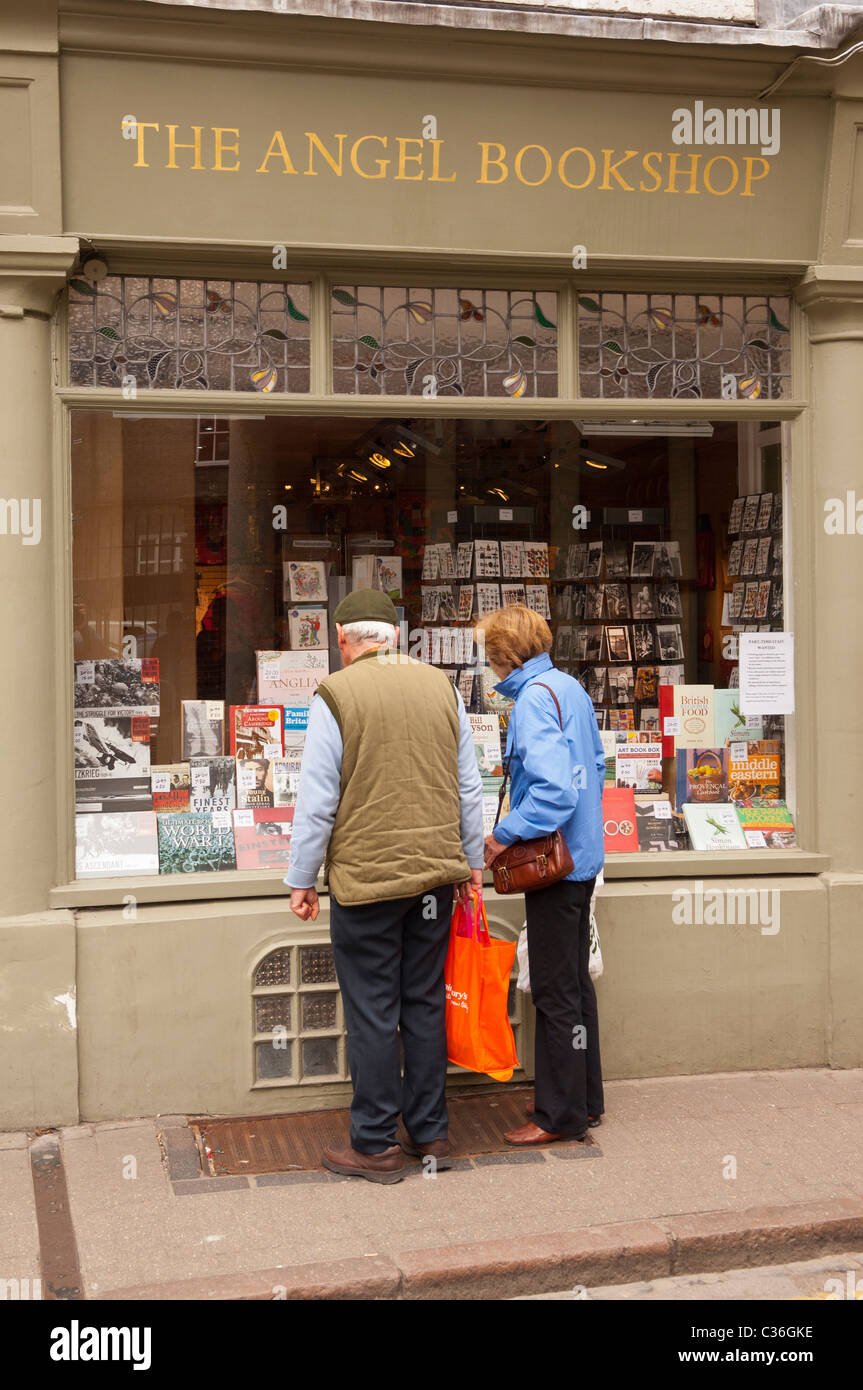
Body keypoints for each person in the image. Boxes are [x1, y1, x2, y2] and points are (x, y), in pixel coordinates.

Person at [285, 589, 485, 1185]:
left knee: (373, 1011)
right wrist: (473, 863)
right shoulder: (440, 687)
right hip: (435, 875)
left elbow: (318, 800)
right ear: (394, 637)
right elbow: (468, 787)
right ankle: (430, 1133)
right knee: (422, 1001)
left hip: (368, 880)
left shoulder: (337, 694)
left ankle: (373, 1145)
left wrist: (301, 877)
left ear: (345, 640)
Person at [477, 604, 605, 1146]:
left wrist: (503, 834)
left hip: (552, 865)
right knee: (574, 984)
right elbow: (595, 765)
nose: (488, 666)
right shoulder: (568, 687)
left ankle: (559, 1115)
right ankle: (584, 1099)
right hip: (581, 858)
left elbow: (555, 791)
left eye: (490, 655)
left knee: (553, 989)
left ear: (505, 655)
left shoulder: (532, 700)